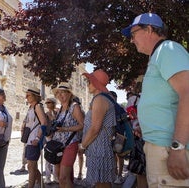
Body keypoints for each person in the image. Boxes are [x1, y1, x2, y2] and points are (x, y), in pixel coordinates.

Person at [122, 12, 189, 187]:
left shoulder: (167, 49)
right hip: (160, 147)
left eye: (134, 33)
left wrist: (178, 148)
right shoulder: (159, 55)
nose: (131, 39)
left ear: (150, 29)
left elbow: (188, 93)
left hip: (168, 150)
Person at [79, 69, 116, 188]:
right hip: (98, 149)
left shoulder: (100, 99)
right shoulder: (101, 98)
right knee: (100, 182)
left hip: (100, 148)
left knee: (102, 183)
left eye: (89, 82)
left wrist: (82, 145)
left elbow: (95, 129)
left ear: (96, 83)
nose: (87, 84)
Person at [51, 82, 84, 188]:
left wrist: (65, 129)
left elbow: (82, 125)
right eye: (58, 93)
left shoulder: (74, 107)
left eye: (63, 92)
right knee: (60, 176)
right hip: (58, 145)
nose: (60, 95)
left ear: (70, 94)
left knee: (63, 177)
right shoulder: (60, 108)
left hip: (70, 144)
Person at [23, 86, 47, 188]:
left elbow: (44, 122)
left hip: (34, 140)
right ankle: (42, 184)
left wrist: (38, 138)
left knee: (31, 166)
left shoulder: (38, 106)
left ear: (35, 96)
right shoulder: (31, 107)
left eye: (28, 95)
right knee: (31, 166)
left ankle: (31, 186)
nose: (26, 97)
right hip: (29, 140)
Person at [44, 97, 58, 183]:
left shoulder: (57, 113)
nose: (48, 104)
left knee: (57, 157)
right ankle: (47, 177)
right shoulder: (46, 114)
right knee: (48, 156)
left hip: (57, 137)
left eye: (49, 102)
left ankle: (56, 176)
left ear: (53, 103)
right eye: (47, 103)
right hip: (49, 136)